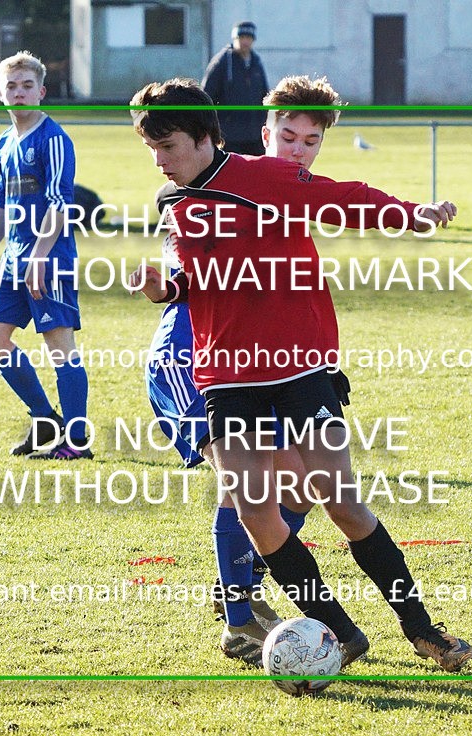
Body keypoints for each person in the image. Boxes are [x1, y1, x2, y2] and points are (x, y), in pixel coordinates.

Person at [128, 78, 472, 673]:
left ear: (205, 137)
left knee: (340, 503)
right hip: (227, 373)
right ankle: (339, 631)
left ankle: (422, 629)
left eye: (170, 146)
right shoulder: (173, 204)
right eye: (153, 149)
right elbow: (191, 279)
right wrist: (166, 287)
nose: (161, 161)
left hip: (299, 367)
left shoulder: (265, 178)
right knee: (255, 510)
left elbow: (347, 196)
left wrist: (412, 215)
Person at [132, 76, 345, 666]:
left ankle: (242, 590)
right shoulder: (213, 182)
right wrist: (164, 282)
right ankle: (241, 615)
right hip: (194, 360)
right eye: (286, 135)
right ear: (263, 132)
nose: (297, 150)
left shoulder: (288, 193)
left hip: (267, 365)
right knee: (247, 488)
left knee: (299, 484)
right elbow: (181, 263)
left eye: (310, 141)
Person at [0, 51, 92, 460]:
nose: (18, 93)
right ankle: (45, 420)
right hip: (13, 260)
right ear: (1, 93)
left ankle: (76, 441)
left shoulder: (53, 139)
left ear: (41, 91)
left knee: (60, 347)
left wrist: (39, 256)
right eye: (10, 87)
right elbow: (2, 206)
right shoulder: (4, 143)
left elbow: (60, 204)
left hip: (49, 259)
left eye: (26, 86)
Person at [201, 21, 268, 155]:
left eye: (248, 38)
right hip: (229, 137)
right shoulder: (221, 62)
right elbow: (206, 97)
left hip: (255, 136)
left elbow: (264, 96)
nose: (245, 42)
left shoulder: (256, 62)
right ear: (235, 38)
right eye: (241, 37)